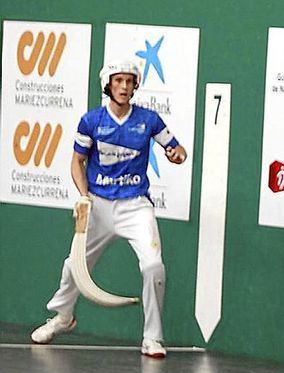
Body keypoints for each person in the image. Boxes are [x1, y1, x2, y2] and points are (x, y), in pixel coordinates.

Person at [30, 60, 187, 358]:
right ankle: (63, 317)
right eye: (119, 81)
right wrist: (84, 196)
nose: (125, 87)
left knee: (154, 267)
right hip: (99, 205)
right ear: (109, 85)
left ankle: (153, 337)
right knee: (73, 266)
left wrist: (176, 155)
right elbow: (77, 161)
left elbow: (177, 149)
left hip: (135, 206)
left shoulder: (149, 120)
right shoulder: (91, 121)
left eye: (130, 82)